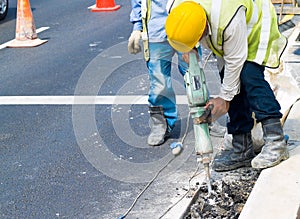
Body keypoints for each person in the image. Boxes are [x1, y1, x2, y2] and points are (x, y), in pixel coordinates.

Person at [165, 0, 289, 171]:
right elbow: (181, 28)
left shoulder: (228, 19)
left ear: (205, 28)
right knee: (228, 79)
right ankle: (242, 148)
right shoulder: (175, 7)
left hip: (255, 24)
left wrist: (224, 98)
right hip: (228, 31)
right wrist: (188, 46)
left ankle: (276, 141)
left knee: (249, 76)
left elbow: (235, 61)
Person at [128, 0, 190, 146]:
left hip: (187, 27)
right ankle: (161, 124)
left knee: (194, 78)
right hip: (156, 30)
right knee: (159, 81)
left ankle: (205, 119)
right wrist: (137, 27)